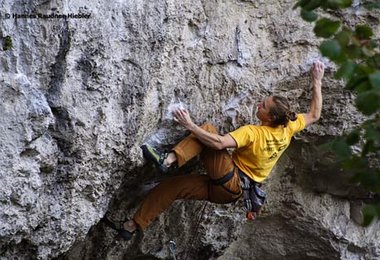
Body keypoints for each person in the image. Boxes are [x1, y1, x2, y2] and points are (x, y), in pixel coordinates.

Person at [103, 61, 325, 240]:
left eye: (263, 106)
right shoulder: (288, 127)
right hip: (230, 194)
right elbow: (314, 114)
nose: (259, 104)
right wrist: (317, 80)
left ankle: (168, 160)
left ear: (269, 117)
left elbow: (218, 144)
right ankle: (131, 226)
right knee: (171, 187)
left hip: (230, 179)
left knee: (207, 130)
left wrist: (190, 126)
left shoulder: (253, 133)